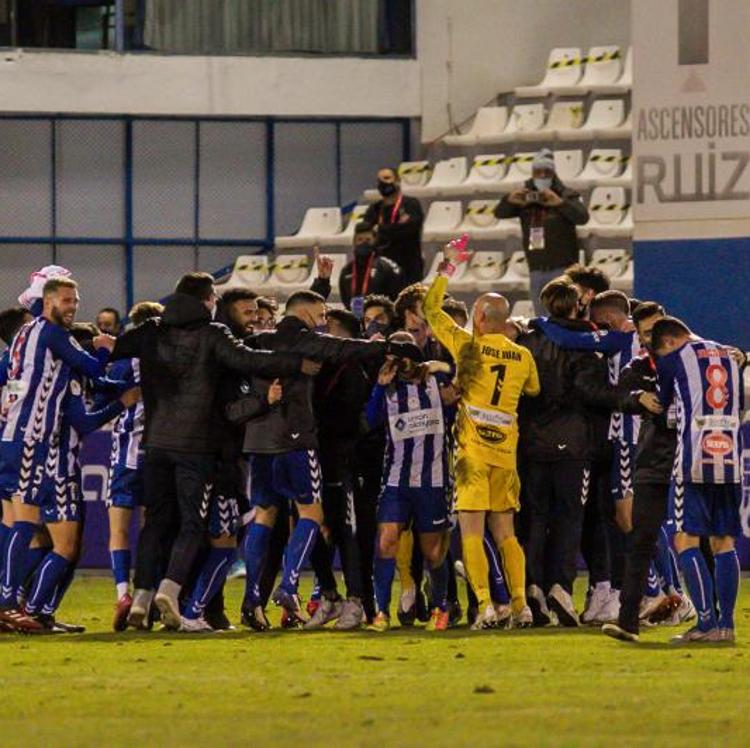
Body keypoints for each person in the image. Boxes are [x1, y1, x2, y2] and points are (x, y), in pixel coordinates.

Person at [109, 272, 307, 630]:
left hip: (154, 444)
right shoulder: (212, 335)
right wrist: (295, 363)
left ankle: (141, 598)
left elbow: (117, 348)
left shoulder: (151, 331)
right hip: (196, 448)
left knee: (155, 523)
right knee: (192, 524)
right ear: (207, 300)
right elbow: (249, 361)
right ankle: (169, 591)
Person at [234, 290, 415, 628]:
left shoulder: (257, 341)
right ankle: (289, 585)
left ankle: (252, 599)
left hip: (257, 441)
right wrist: (384, 347)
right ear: (307, 311)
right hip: (296, 441)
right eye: (321, 312)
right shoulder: (303, 340)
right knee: (313, 514)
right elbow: (340, 348)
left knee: (263, 516)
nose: (324, 319)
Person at [423, 246, 540, 630]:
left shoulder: (468, 345)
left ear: (478, 317)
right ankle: (521, 605)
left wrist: (446, 269)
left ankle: (487, 606)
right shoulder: (523, 356)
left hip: (472, 454)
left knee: (471, 531)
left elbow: (430, 310)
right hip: (506, 454)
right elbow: (535, 391)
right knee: (506, 533)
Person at [0, 278, 115, 632]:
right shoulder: (52, 333)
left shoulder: (23, 335)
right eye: (67, 300)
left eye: (75, 301)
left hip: (12, 436)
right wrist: (105, 349)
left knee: (15, 523)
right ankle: (8, 602)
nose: (73, 306)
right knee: (25, 524)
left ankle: (12, 602)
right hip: (32, 438)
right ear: (48, 301)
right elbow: (93, 369)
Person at [518, 279, 621, 627]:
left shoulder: (529, 340)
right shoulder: (585, 345)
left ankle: (532, 586)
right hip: (573, 446)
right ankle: (560, 588)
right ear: (577, 305)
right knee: (569, 518)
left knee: (534, 518)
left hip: (531, 444)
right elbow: (591, 391)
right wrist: (628, 396)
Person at [651, 317, 743, 644]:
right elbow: (740, 407)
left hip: (693, 459)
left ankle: (705, 624)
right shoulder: (732, 357)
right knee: (724, 541)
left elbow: (664, 409)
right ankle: (727, 626)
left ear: (670, 342)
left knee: (685, 540)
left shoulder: (673, 360)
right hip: (730, 457)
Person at [366, 334, 452, 632]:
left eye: (395, 358)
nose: (390, 364)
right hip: (396, 479)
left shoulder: (435, 381)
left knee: (432, 551)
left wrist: (440, 365)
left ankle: (440, 607)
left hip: (433, 480)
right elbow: (369, 421)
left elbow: (463, 378)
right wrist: (378, 387)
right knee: (386, 540)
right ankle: (381, 613)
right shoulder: (387, 388)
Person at [305, 308, 374, 630]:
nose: (321, 331)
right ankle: (329, 596)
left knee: (347, 531)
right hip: (314, 455)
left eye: (328, 327)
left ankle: (356, 600)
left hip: (344, 459)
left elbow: (351, 416)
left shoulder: (354, 368)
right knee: (312, 528)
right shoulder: (318, 366)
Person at [105, 301, 164, 632]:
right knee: (151, 530)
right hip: (158, 452)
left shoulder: (121, 361)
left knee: (119, 530)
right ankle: (147, 593)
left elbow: (101, 393)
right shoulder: (164, 360)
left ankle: (123, 593)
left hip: (125, 454)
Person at [496, 148, 589, 314]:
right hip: (536, 268)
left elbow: (582, 217)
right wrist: (510, 200)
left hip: (563, 268)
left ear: (553, 173)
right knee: (542, 316)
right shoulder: (526, 196)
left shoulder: (566, 194)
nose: (542, 176)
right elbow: (499, 213)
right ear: (532, 173)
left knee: (564, 314)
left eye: (547, 172)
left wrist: (559, 203)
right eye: (538, 172)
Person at [364, 167, 425, 285]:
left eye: (387, 178)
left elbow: (411, 229)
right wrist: (397, 228)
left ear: (397, 181)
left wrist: (380, 230)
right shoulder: (374, 209)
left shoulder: (411, 204)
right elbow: (366, 234)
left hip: (409, 267)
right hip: (383, 267)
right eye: (379, 180)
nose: (383, 183)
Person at [338, 222, 403, 314]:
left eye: (368, 240)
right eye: (360, 239)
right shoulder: (346, 271)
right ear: (354, 241)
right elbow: (346, 301)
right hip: (357, 322)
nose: (364, 243)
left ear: (375, 241)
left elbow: (397, 298)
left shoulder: (387, 267)